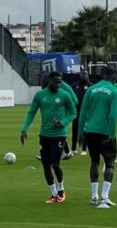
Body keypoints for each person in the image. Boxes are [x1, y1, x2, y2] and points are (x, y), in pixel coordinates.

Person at [21, 72, 76, 203]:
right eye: (56, 81)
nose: (58, 84)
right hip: (44, 135)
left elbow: (73, 112)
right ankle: (53, 194)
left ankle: (61, 190)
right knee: (46, 166)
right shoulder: (40, 95)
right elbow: (31, 113)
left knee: (55, 164)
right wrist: (24, 129)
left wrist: (62, 122)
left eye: (60, 82)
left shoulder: (65, 95)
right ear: (50, 80)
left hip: (59, 135)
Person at [78, 67, 117, 209]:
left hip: (90, 131)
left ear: (103, 76)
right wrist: (112, 135)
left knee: (94, 161)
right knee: (109, 163)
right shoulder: (115, 91)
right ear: (114, 78)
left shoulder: (91, 90)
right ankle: (105, 197)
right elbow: (113, 115)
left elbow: (83, 112)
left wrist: (80, 133)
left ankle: (94, 196)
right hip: (105, 132)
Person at [70, 72, 91, 155]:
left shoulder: (91, 86)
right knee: (74, 131)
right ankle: (73, 148)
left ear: (88, 76)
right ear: (80, 75)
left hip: (86, 113)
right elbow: (70, 97)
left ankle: (84, 149)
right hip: (76, 112)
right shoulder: (74, 85)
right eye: (83, 74)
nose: (84, 76)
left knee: (85, 130)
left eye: (86, 74)